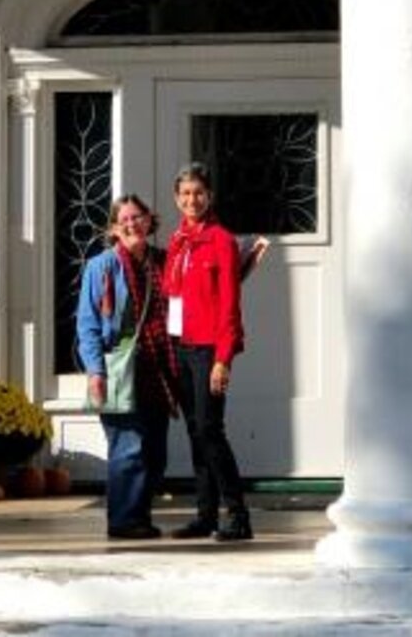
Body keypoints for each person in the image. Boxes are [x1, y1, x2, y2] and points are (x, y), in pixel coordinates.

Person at [76, 194, 178, 540]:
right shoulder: (101, 267)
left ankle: (139, 515)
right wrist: (95, 372)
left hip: (159, 367)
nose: (133, 224)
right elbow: (88, 324)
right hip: (119, 368)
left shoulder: (165, 262)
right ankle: (123, 521)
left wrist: (241, 266)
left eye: (138, 217)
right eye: (125, 221)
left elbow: (200, 293)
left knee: (156, 453)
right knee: (128, 448)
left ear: (150, 221)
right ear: (114, 230)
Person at [163, 162, 255, 542]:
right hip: (180, 346)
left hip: (207, 350)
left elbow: (230, 308)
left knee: (210, 430)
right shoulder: (177, 241)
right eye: (185, 193)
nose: (191, 200)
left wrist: (223, 359)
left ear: (210, 196)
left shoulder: (221, 241)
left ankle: (237, 513)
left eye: (198, 193)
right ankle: (205, 514)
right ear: (176, 198)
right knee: (194, 432)